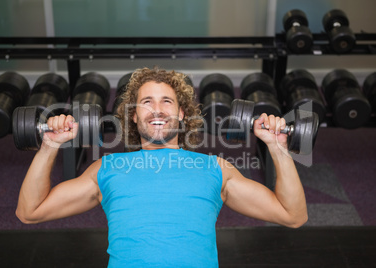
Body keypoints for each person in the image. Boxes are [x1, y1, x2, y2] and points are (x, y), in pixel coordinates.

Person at [16, 67, 308, 267]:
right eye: (146, 102)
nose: (157, 109)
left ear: (181, 114)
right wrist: (50, 145)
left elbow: (293, 216)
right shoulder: (108, 169)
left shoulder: (216, 169)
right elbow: (30, 212)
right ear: (132, 116)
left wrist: (278, 147)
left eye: (167, 101)